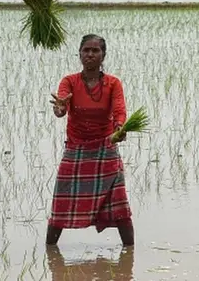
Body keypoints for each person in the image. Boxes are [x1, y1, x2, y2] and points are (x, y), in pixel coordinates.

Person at [46, 34, 134, 246]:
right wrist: (59, 108)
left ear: (103, 55)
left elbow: (119, 110)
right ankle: (50, 250)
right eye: (86, 50)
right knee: (61, 202)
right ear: (79, 54)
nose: (90, 54)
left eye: (95, 51)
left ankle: (129, 255)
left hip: (106, 148)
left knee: (119, 205)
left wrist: (120, 128)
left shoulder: (113, 83)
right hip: (76, 148)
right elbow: (61, 109)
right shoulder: (69, 81)